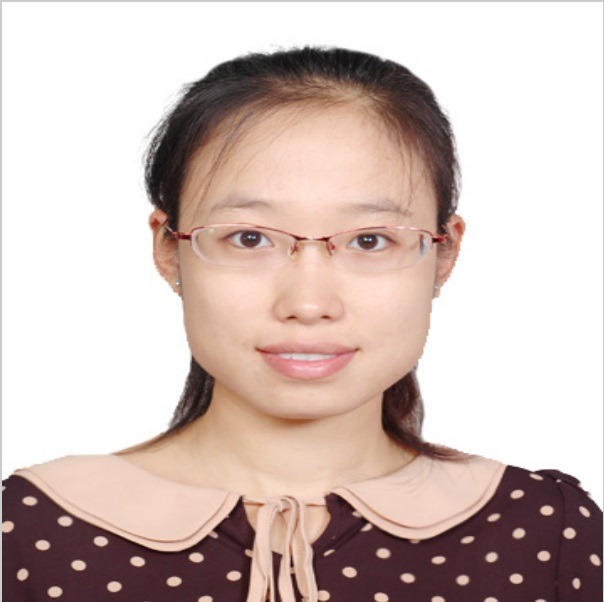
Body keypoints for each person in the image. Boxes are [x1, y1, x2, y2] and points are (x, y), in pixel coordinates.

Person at [3, 46, 601, 602]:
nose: (309, 303)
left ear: (445, 254)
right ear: (168, 248)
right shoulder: (29, 532)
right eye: (249, 238)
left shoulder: (548, 531)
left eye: (370, 240)